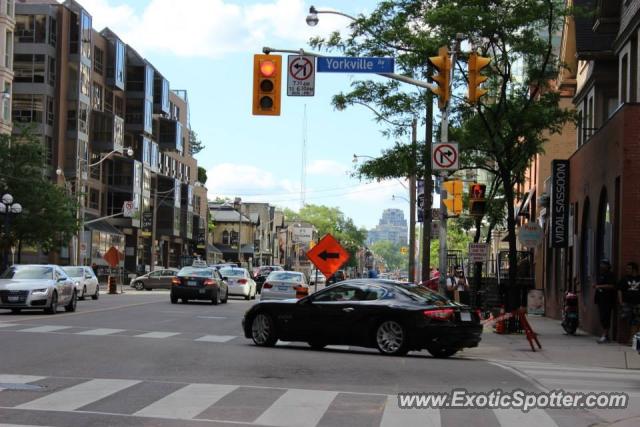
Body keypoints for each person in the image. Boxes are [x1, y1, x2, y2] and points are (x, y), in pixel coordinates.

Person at [594, 259, 616, 343]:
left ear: (608, 266)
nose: (602, 266)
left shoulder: (610, 275)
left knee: (606, 317)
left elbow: (612, 286)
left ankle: (605, 335)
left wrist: (599, 286)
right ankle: (605, 335)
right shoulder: (601, 275)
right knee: (602, 317)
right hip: (600, 299)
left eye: (604, 265)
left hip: (608, 300)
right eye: (601, 264)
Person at [618, 262, 640, 343]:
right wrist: (621, 301)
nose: (627, 270)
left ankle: (632, 340)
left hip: (638, 303)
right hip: (627, 303)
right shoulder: (625, 279)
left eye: (629, 268)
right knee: (627, 320)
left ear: (634, 270)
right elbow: (619, 290)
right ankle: (632, 338)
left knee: (636, 321)